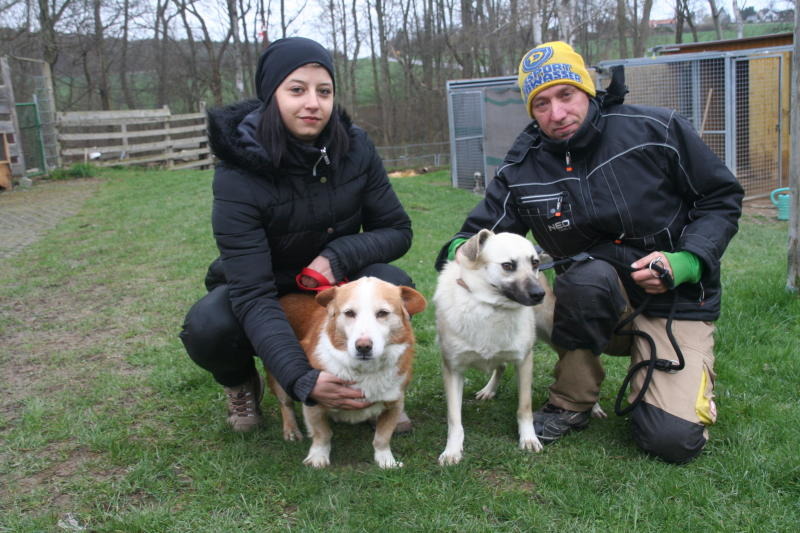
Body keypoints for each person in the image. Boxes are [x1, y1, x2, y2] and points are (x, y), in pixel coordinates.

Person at [435, 41, 743, 463]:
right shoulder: (522, 169)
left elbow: (721, 197)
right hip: (596, 305)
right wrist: (461, 255)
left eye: (566, 95)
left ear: (589, 89)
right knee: (584, 276)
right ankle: (571, 400)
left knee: (671, 441)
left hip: (677, 302)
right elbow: (470, 238)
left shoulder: (659, 130)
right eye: (540, 103)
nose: (556, 114)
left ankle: (675, 375)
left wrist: (686, 261)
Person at [181, 37, 414, 433]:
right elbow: (252, 293)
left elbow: (397, 229)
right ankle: (241, 383)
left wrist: (337, 256)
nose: (313, 103)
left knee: (395, 285)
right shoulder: (237, 173)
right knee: (209, 327)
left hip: (333, 278)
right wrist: (301, 380)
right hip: (264, 284)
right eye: (297, 90)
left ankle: (374, 386)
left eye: (324, 91)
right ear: (271, 96)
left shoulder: (355, 147)